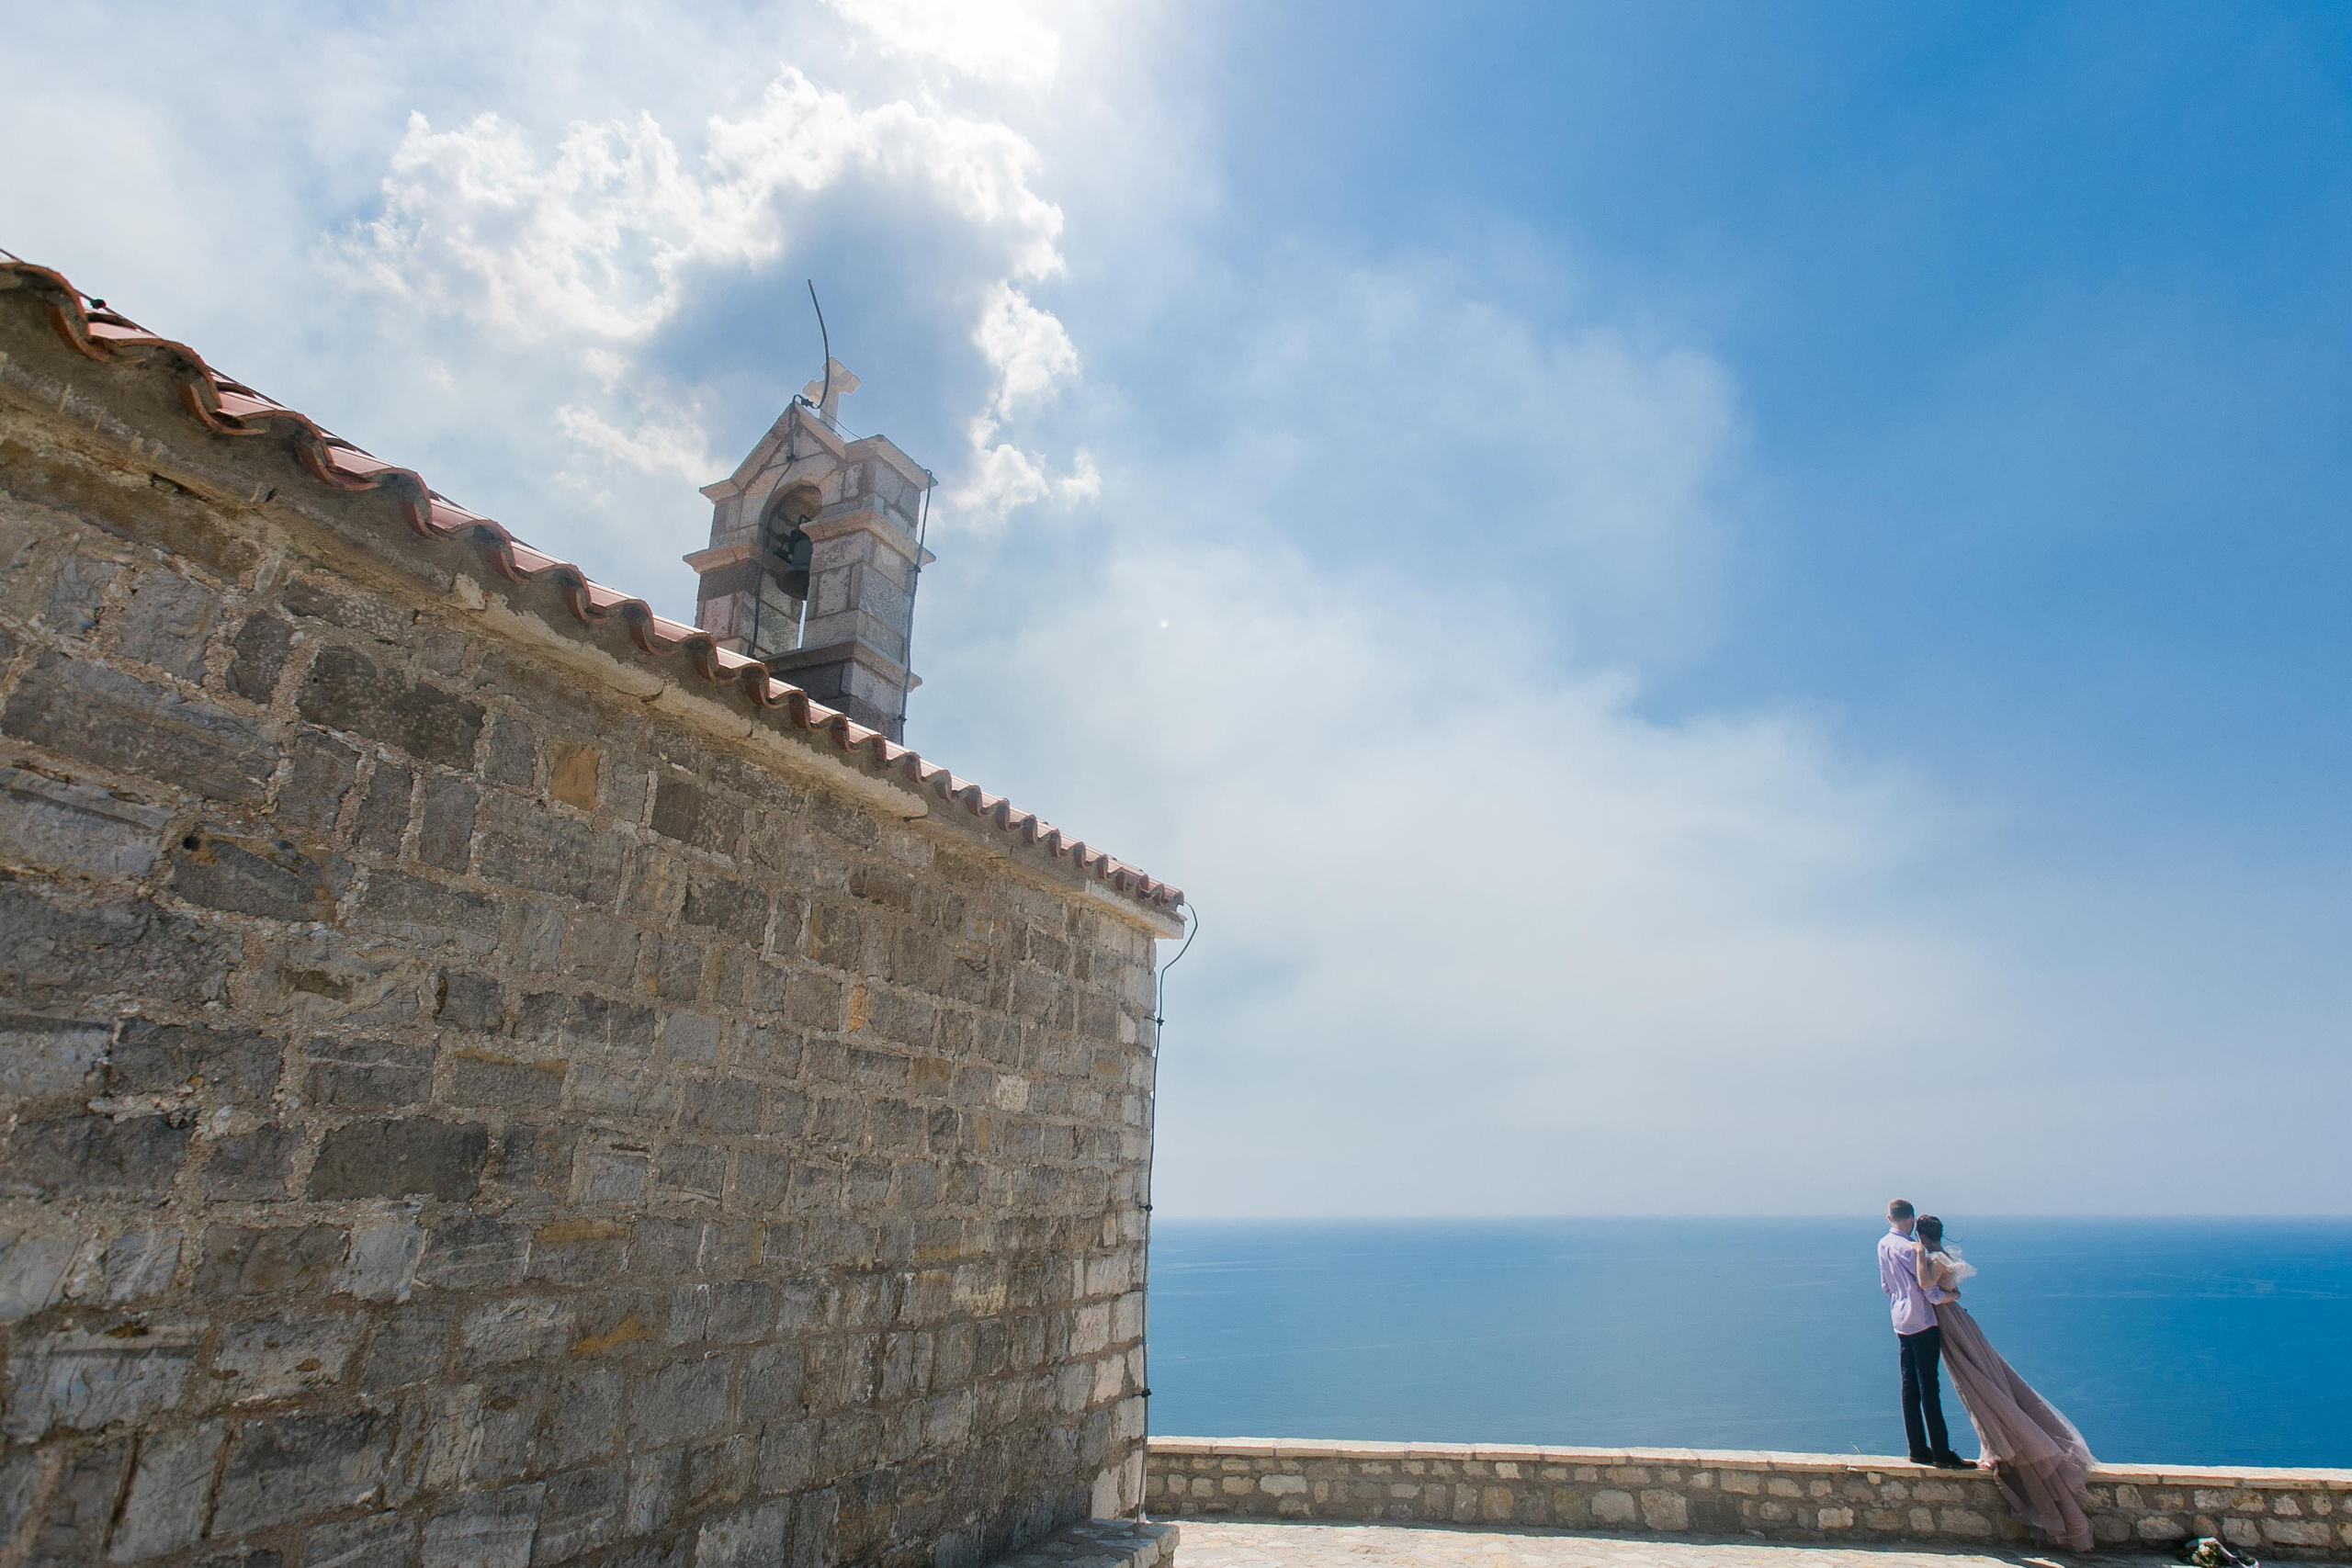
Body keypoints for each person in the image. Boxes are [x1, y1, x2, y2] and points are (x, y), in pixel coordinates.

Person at [1913, 1216, 2097, 1552]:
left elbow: (1929, 1290)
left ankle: (2007, 1445)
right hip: (1955, 1322)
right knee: (1975, 1385)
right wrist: (1948, 1292)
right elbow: (1948, 1291)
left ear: (1922, 1234)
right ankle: (1993, 1446)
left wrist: (1916, 1257)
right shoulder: (1941, 1254)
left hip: (1952, 1325)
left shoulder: (1934, 1258)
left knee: (1977, 1385)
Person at [1878, 1199, 1970, 1469]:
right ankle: (1941, 1451)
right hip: (1922, 1322)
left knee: (1909, 1385)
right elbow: (1929, 1291)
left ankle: (1917, 1448)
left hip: (1900, 1321)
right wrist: (1952, 1295)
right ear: (1912, 1218)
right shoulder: (1910, 1249)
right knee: (1930, 1386)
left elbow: (1885, 1286)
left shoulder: (1883, 1244)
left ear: (1889, 1218)